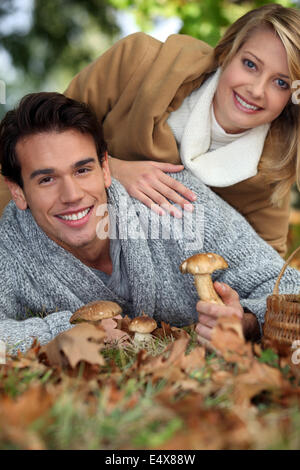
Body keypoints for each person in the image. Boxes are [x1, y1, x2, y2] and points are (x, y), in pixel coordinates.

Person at [0, 92, 299, 355]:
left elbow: (290, 288)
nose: (72, 195)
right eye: (47, 179)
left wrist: (246, 322)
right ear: (18, 191)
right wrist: (72, 331)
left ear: (106, 168)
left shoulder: (179, 203)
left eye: (82, 170)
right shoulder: (11, 248)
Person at [58, 3, 299, 258]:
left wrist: (233, 299)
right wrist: (111, 169)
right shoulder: (137, 62)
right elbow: (41, 136)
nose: (257, 90)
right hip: (48, 241)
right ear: (227, 53)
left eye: (281, 82)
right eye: (250, 64)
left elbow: (267, 270)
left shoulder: (272, 172)